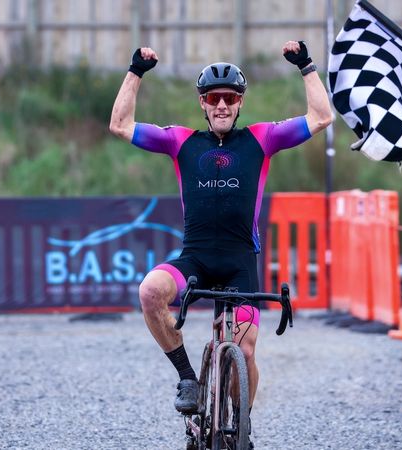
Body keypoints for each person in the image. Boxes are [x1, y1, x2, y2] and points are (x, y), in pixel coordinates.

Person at [109, 41, 333, 445]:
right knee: (149, 292)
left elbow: (321, 117)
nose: (223, 105)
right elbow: (120, 125)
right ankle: (188, 379)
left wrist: (306, 65)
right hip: (194, 257)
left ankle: (240, 424)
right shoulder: (181, 142)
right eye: (215, 98)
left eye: (230, 98)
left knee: (244, 353)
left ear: (240, 102)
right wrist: (135, 71)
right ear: (203, 103)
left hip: (240, 262)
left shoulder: (261, 140)